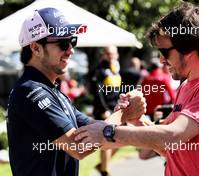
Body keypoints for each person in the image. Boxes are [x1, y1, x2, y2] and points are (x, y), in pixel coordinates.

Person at [74, 2, 199, 176]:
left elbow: (172, 136)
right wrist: (137, 119)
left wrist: (107, 131)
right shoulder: (187, 85)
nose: (161, 60)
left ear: (189, 48)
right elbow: (165, 147)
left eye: (164, 52)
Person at [6, 8, 146, 176]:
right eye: (63, 43)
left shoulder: (52, 90)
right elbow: (78, 146)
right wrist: (123, 114)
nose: (71, 50)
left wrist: (127, 115)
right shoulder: (30, 90)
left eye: (72, 41)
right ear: (36, 48)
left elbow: (97, 133)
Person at [90, 46, 122, 176]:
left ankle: (102, 165)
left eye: (113, 53)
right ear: (104, 55)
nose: (111, 56)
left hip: (116, 109)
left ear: (117, 55)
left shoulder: (116, 69)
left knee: (120, 141)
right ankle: (105, 171)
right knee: (107, 140)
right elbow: (98, 93)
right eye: (108, 54)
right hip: (104, 110)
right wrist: (104, 109)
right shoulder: (100, 70)